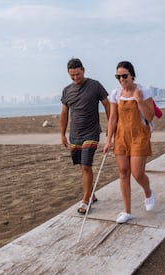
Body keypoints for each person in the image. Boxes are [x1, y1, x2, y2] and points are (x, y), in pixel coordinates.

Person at [103, 61, 155, 224]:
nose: (121, 79)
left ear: (132, 75)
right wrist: (108, 140)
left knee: (137, 173)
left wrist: (139, 101)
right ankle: (127, 211)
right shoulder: (115, 94)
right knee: (123, 173)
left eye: (124, 76)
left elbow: (150, 116)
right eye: (118, 76)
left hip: (139, 135)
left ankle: (148, 191)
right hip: (121, 136)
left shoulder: (143, 91)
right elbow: (112, 119)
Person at [60, 58, 110, 214]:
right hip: (75, 135)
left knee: (87, 165)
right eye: (72, 76)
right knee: (82, 166)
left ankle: (85, 200)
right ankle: (91, 193)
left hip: (91, 132)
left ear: (84, 70)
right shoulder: (67, 90)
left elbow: (107, 105)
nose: (75, 78)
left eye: (78, 74)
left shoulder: (95, 85)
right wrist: (62, 133)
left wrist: (111, 126)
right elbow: (64, 112)